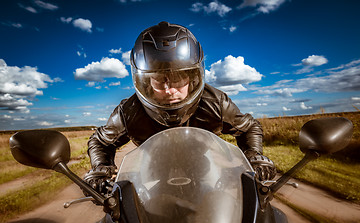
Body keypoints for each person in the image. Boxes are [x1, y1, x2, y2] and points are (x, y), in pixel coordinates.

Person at [83, 21, 276, 195]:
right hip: (150, 183)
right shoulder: (129, 112)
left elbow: (249, 127)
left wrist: (253, 156)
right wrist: (101, 169)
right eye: (159, 79)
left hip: (206, 179)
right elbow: (100, 141)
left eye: (178, 77)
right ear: (146, 82)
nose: (170, 89)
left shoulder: (215, 103)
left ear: (192, 77)